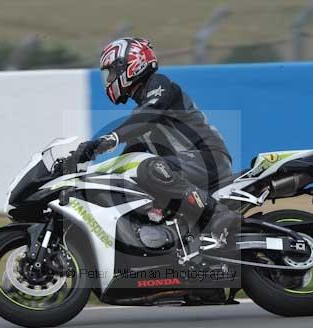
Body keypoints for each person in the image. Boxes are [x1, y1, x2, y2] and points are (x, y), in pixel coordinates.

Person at [75, 37, 240, 240]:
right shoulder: (141, 114)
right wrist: (93, 174)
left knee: (148, 168)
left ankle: (217, 215)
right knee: (130, 181)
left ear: (130, 66)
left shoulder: (159, 85)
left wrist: (108, 140)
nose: (109, 80)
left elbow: (147, 116)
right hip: (185, 167)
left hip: (207, 158)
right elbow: (128, 157)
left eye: (111, 72)